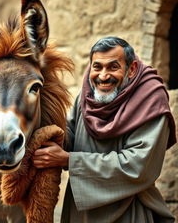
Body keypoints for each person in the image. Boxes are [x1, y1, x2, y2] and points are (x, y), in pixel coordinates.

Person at [32, 37, 177, 222]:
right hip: (80, 214)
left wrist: (69, 160)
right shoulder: (87, 96)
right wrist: (43, 131)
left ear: (131, 69)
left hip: (129, 211)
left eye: (113, 67)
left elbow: (138, 166)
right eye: (97, 67)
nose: (103, 76)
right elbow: (70, 135)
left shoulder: (150, 101)